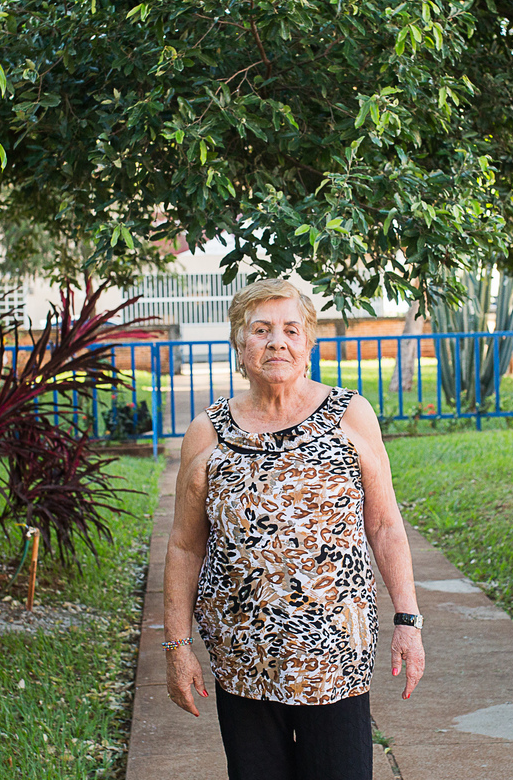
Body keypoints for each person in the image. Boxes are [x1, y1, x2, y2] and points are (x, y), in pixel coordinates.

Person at [163, 278, 426, 780]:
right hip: (242, 651)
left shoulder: (350, 414)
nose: (276, 342)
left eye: (289, 330)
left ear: (308, 343)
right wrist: (178, 648)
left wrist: (408, 623)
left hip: (334, 655)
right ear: (240, 346)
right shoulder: (208, 431)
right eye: (260, 330)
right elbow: (183, 547)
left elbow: (386, 525)